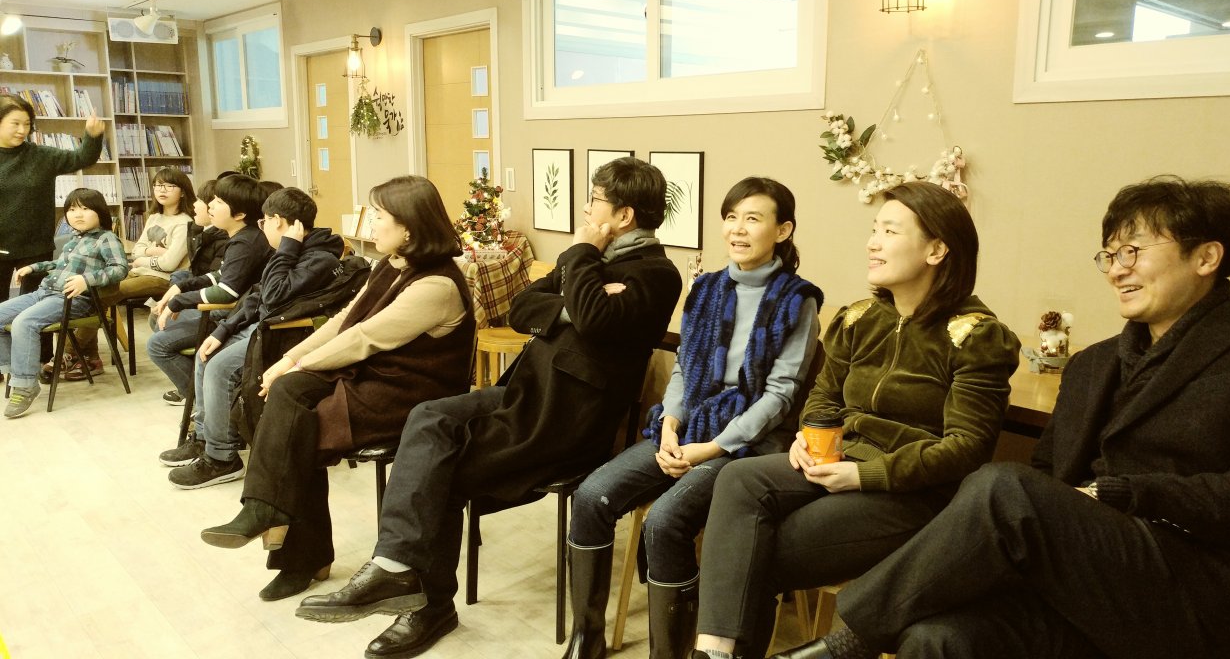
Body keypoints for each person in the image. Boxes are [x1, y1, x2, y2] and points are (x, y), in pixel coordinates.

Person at [767, 178, 1230, 659]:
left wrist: (1125, 492)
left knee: (1004, 485)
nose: (1116, 270)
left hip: (1195, 589)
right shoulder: (1092, 364)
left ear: (1206, 257)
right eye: (1109, 255)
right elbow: (1048, 474)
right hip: (1077, 579)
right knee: (936, 637)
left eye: (1133, 252)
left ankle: (842, 646)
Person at [288, 157, 683, 659]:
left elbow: (596, 319)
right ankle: (394, 565)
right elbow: (521, 307)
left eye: (595, 201)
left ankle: (429, 607)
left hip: (567, 419)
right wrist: (574, 304)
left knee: (440, 469)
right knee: (429, 417)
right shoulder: (587, 263)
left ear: (624, 215)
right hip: (523, 396)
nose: (586, 209)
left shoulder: (655, 274)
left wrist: (582, 263)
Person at [691, 181, 1021, 659]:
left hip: (913, 493)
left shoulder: (975, 336)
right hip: (841, 460)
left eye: (890, 232)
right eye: (874, 229)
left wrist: (864, 475)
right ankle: (713, 653)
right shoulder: (860, 319)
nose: (872, 243)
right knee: (738, 479)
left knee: (757, 550)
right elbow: (823, 398)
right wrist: (810, 437)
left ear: (936, 250)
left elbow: (967, 449)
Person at [562, 177, 824, 659]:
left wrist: (711, 448)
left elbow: (780, 396)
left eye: (753, 219)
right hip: (689, 426)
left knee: (665, 521)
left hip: (747, 443)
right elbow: (685, 367)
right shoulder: (705, 288)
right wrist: (669, 423)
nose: (738, 229)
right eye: (731, 217)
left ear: (783, 230)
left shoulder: (797, 300)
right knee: (591, 497)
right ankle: (587, 638)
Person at [199, 176, 477, 603]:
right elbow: (344, 320)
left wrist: (295, 365)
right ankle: (266, 512)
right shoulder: (391, 265)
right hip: (375, 376)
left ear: (409, 227)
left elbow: (364, 338)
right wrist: (287, 363)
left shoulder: (436, 285)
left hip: (411, 394)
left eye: (379, 216)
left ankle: (295, 547)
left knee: (297, 428)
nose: (371, 224)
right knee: (288, 396)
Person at [165, 186, 345, 488]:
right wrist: (223, 330)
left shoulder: (318, 258)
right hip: (263, 327)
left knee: (219, 368)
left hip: (285, 335)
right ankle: (208, 438)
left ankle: (222, 459)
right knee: (206, 352)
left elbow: (273, 297)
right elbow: (257, 295)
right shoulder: (291, 250)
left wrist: (286, 249)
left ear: (278, 221)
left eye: (264, 222)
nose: (261, 228)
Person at [58, 167, 195, 380]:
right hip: (140, 271)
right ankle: (89, 358)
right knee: (93, 291)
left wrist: (145, 256)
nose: (162, 190)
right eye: (158, 185)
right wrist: (152, 254)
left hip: (163, 279)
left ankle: (68, 353)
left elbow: (169, 264)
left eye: (170, 186)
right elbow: (136, 250)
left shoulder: (185, 222)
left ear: (183, 191)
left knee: (104, 294)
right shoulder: (154, 217)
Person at [0, 188, 127, 418]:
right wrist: (33, 267)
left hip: (73, 300)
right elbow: (58, 265)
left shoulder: (106, 238)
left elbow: (120, 269)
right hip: (44, 293)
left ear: (100, 211)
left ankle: (25, 386)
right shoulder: (73, 239)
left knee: (24, 323)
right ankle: (16, 372)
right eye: (72, 209)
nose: (78, 214)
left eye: (85, 208)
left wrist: (86, 280)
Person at [146, 173, 270, 406]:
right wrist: (181, 287)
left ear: (240, 215)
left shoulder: (245, 242)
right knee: (160, 322)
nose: (210, 205)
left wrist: (180, 301)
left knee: (157, 344)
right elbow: (222, 274)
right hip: (230, 313)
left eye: (219, 201)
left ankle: (197, 399)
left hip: (232, 316)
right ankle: (199, 397)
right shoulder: (241, 237)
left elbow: (227, 291)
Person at [0, 94, 105, 294]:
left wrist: (92, 136)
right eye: (15, 123)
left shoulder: (42, 156)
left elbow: (82, 158)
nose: (22, 130)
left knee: (36, 303)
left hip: (36, 247)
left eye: (27, 124)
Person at [151, 176, 229, 405]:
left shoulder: (230, 240)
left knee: (158, 339)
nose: (195, 205)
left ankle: (194, 393)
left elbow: (219, 283)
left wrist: (181, 298)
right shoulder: (199, 229)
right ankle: (191, 386)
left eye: (203, 201)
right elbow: (202, 274)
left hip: (216, 310)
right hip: (204, 297)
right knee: (159, 315)